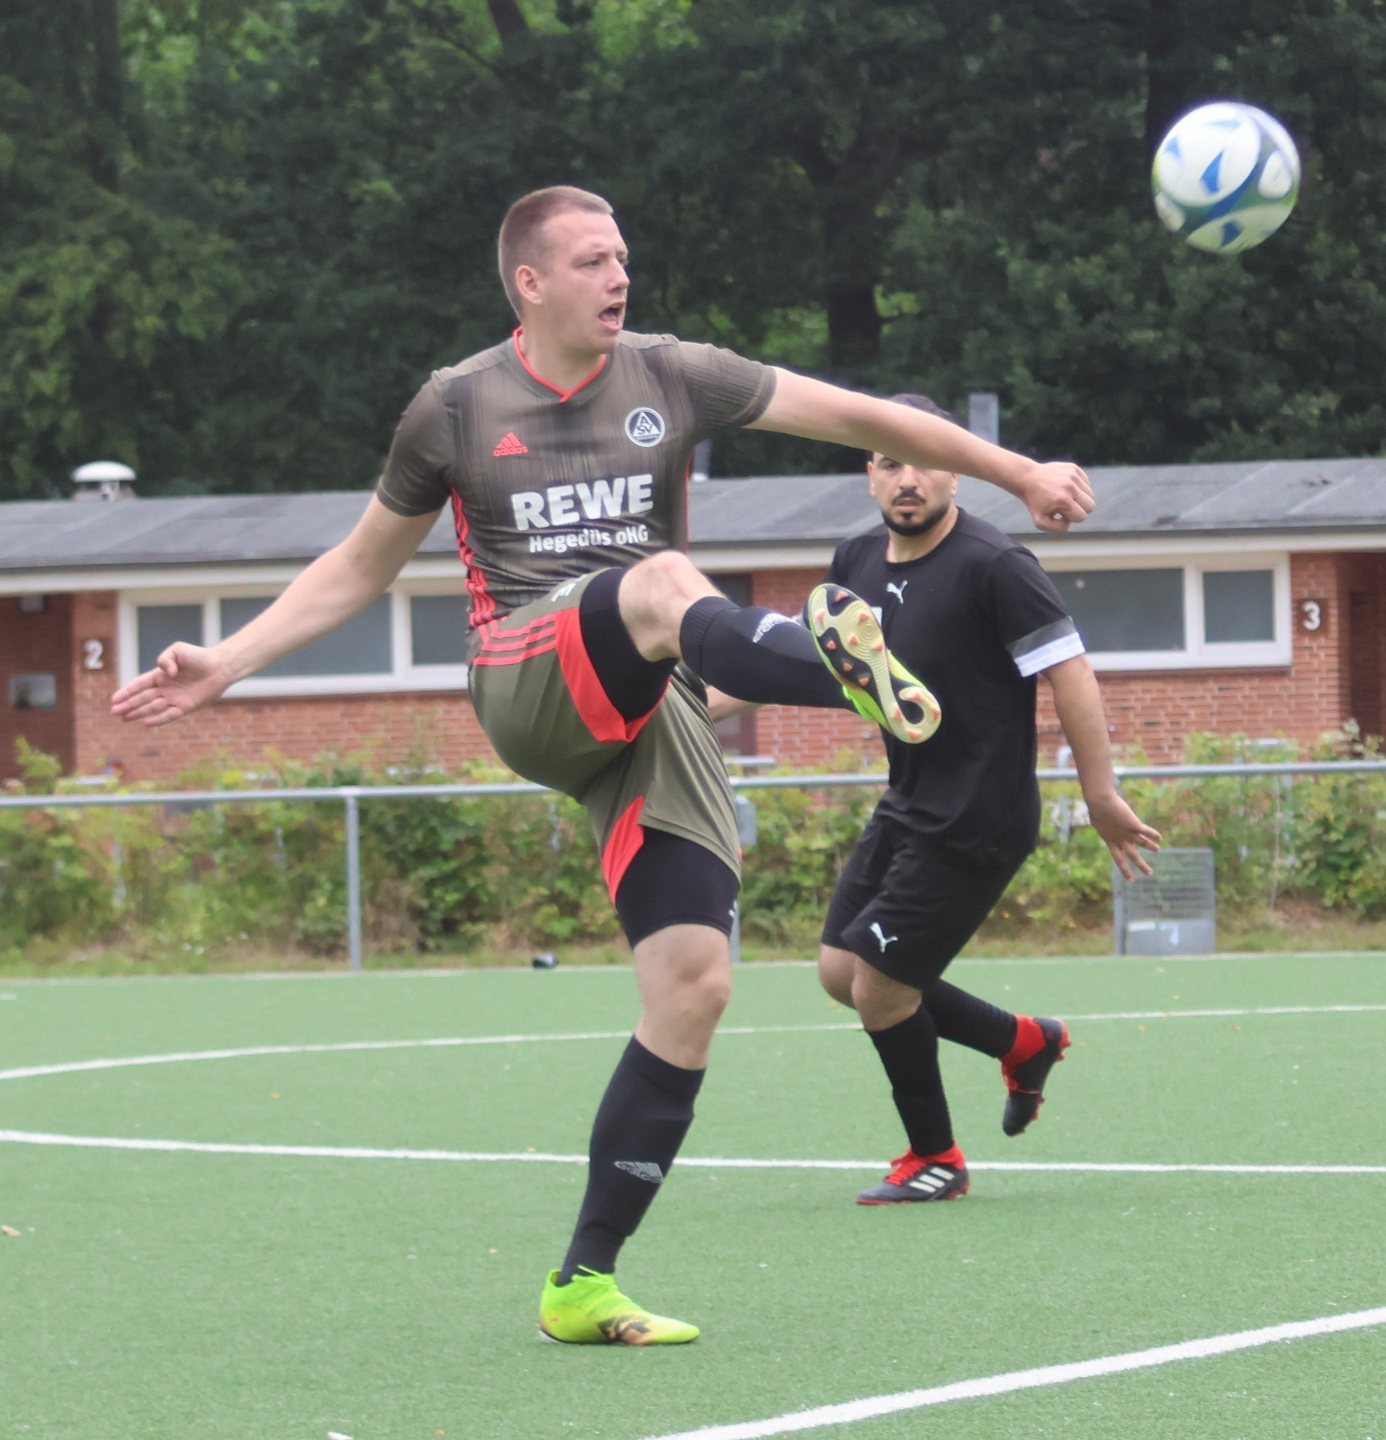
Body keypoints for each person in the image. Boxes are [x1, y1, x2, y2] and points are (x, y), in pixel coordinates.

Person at [110, 188, 1097, 1344]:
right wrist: (227, 660)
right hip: (527, 675)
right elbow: (360, 563)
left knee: (694, 983)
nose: (618, 276)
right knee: (665, 583)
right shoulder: (456, 407)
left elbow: (863, 414)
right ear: (530, 284)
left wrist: (1019, 470)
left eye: (623, 255)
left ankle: (583, 1281)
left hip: (652, 703)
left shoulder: (672, 372)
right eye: (591, 260)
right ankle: (833, 666)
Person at [721, 393, 1160, 1206]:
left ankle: (936, 1159)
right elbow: (814, 666)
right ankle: (1022, 1041)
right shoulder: (853, 563)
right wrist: (686, 709)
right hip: (910, 801)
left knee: (883, 986)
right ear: (869, 476)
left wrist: (1099, 794)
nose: (907, 478)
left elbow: (1072, 675)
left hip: (980, 814)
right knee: (840, 971)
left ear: (956, 467)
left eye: (921, 460)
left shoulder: (996, 566)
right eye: (888, 463)